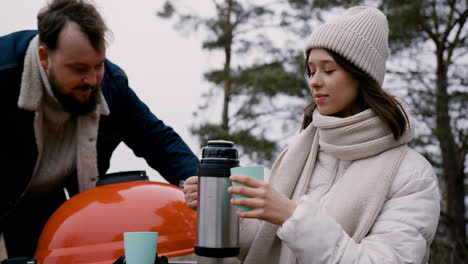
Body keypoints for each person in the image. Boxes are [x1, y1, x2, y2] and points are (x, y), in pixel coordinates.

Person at [184, 6, 440, 264]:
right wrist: (218, 208)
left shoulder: (412, 174)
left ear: (362, 75)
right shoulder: (301, 150)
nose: (314, 81)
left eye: (328, 70)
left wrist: (291, 216)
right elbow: (261, 246)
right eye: (311, 70)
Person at [0, 0, 199, 259]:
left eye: (98, 66)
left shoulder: (111, 86)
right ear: (44, 57)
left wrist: (200, 182)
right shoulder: (4, 72)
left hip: (49, 202)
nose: (92, 80)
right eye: (79, 69)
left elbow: (157, 139)